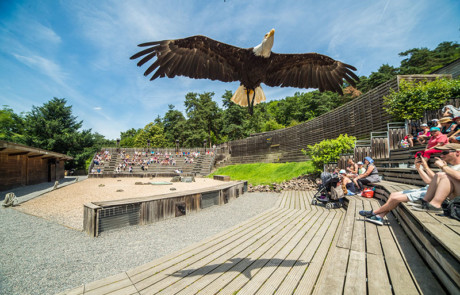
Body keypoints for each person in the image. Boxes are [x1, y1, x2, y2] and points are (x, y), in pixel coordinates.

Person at [359, 143, 460, 225]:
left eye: (445, 152)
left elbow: (449, 178)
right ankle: (378, 217)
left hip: (444, 196)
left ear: (457, 152)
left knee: (395, 198)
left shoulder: (449, 168)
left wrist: (442, 167)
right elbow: (432, 181)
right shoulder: (449, 167)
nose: (441, 155)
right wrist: (420, 167)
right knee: (393, 195)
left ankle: (374, 213)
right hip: (431, 190)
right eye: (441, 153)